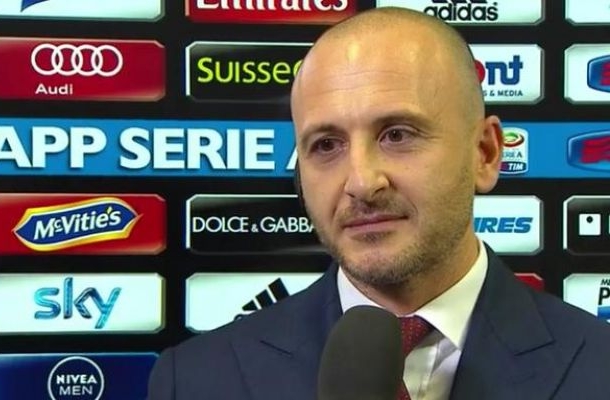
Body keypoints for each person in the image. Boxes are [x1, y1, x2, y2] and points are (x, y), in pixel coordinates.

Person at [147, 7, 610, 400]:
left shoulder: (598, 366)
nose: (362, 182)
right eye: (326, 145)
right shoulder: (195, 380)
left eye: (397, 135)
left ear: (485, 154)